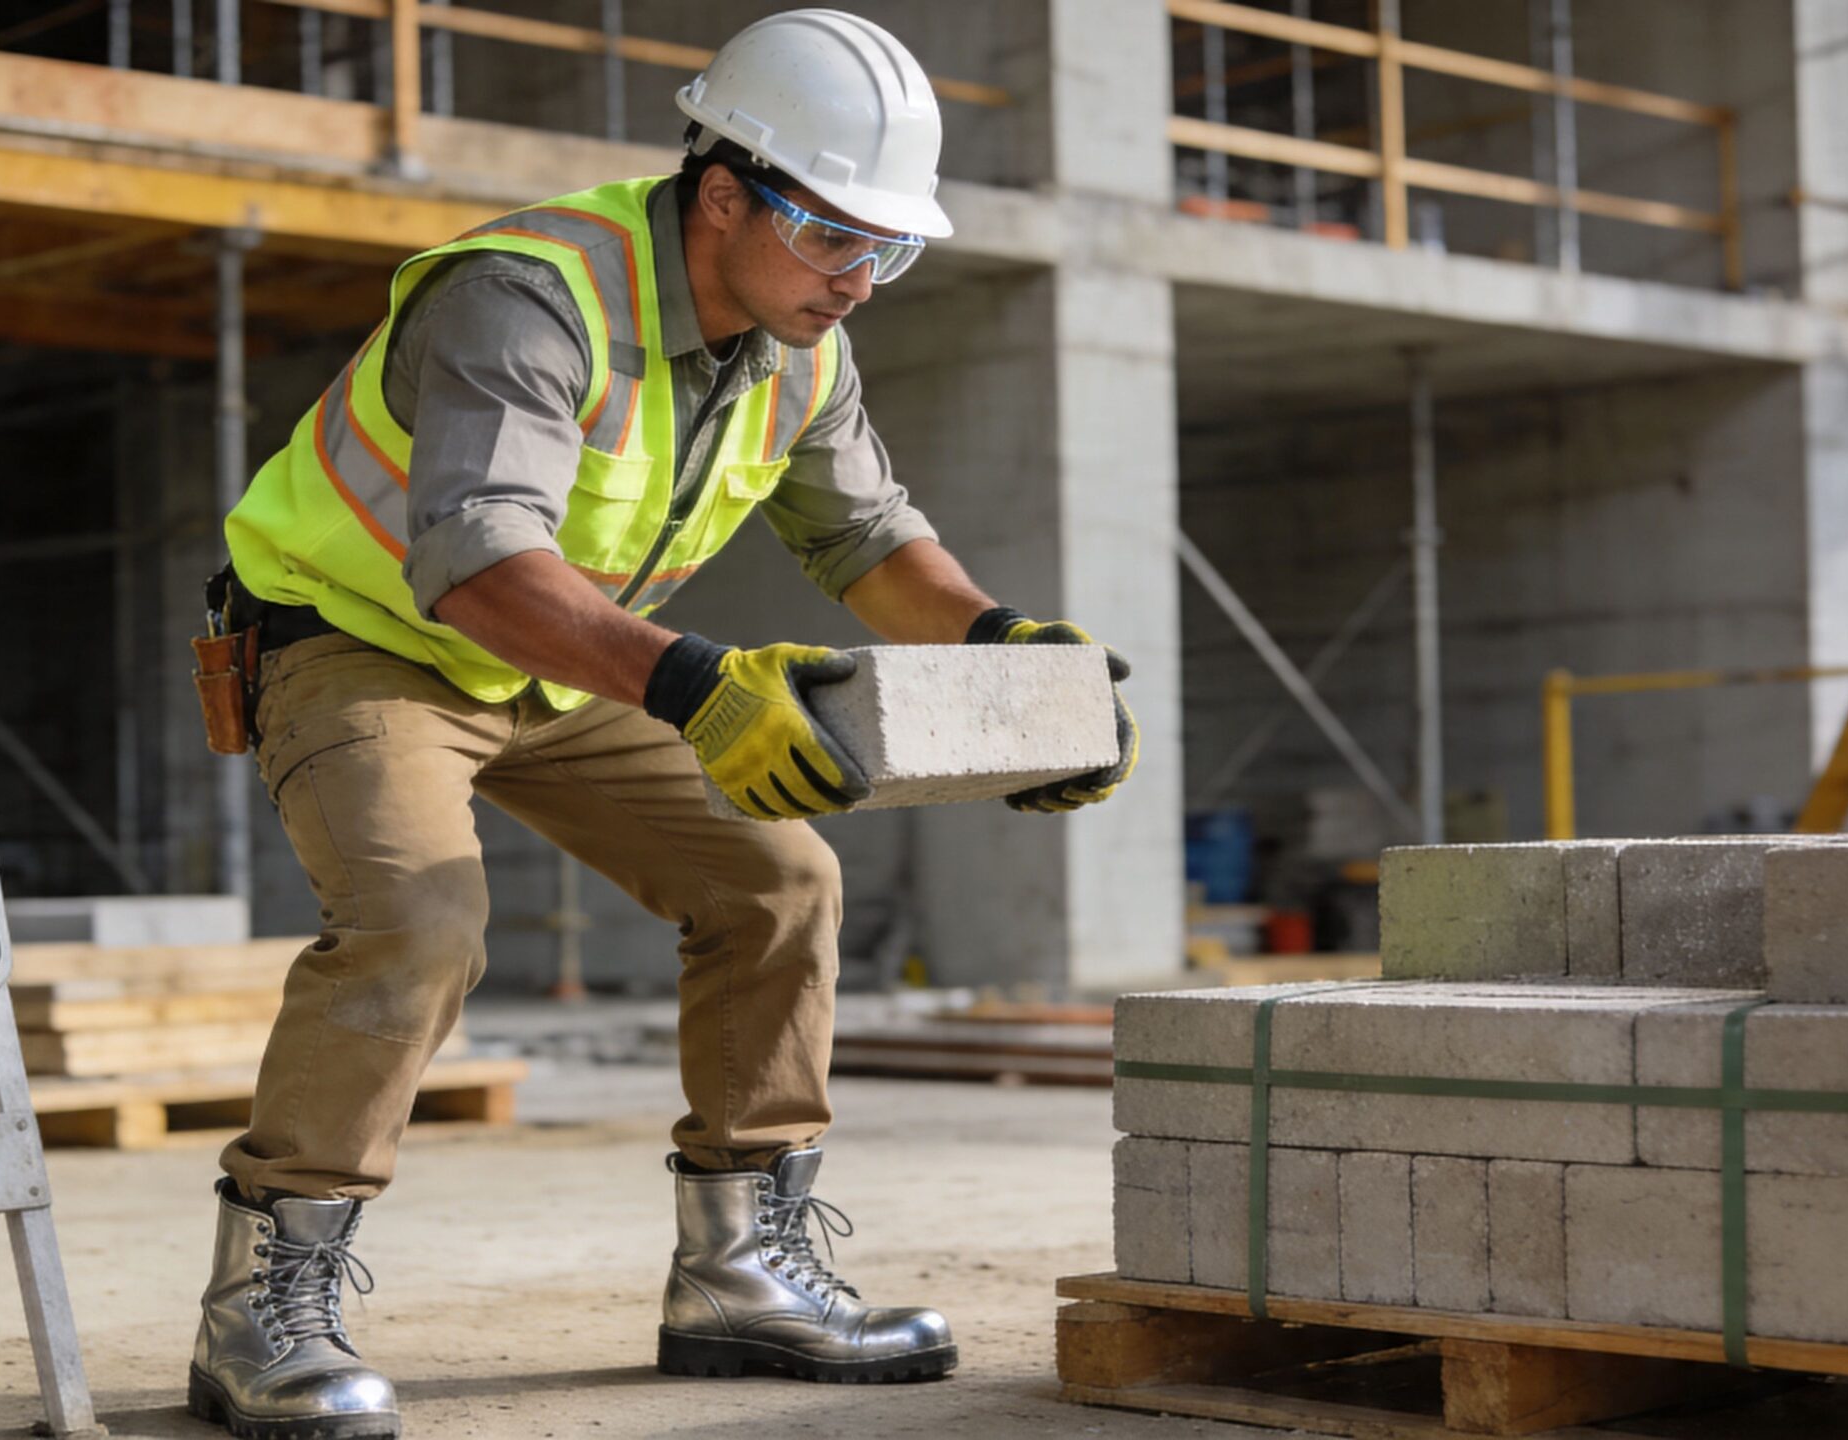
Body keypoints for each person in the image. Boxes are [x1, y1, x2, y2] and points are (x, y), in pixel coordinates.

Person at [184, 10, 1138, 1438]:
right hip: (358, 638)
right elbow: (477, 558)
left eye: (890, 249)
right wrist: (696, 684)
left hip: (562, 672)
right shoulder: (525, 295)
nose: (861, 281)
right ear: (721, 193)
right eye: (834, 238)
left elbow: (869, 539)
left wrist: (1012, 657)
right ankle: (259, 1305)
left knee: (779, 880)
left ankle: (738, 1275)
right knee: (418, 918)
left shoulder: (800, 344)